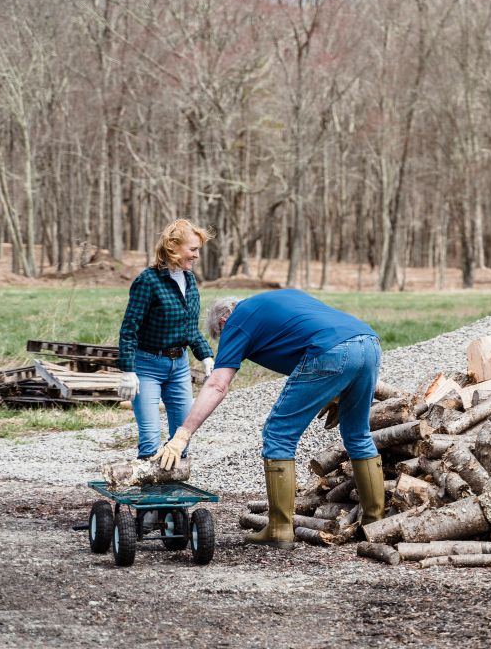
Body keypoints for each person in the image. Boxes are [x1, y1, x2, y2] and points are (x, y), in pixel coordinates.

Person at [155, 290, 385, 549]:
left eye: (222, 337)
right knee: (358, 434)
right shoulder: (278, 302)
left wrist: (182, 435)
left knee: (278, 434)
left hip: (331, 350)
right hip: (368, 343)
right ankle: (375, 524)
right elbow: (314, 331)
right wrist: (337, 392)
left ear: (223, 322)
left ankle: (279, 528)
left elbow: (218, 384)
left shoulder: (236, 320)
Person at [117, 219, 215, 462]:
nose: (197, 255)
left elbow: (190, 327)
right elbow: (130, 329)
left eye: (198, 250)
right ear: (173, 247)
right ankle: (152, 497)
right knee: (150, 441)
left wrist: (206, 356)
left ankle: (175, 498)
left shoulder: (190, 280)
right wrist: (128, 370)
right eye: (193, 249)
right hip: (147, 366)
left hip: (179, 367)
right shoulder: (148, 281)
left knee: (182, 438)